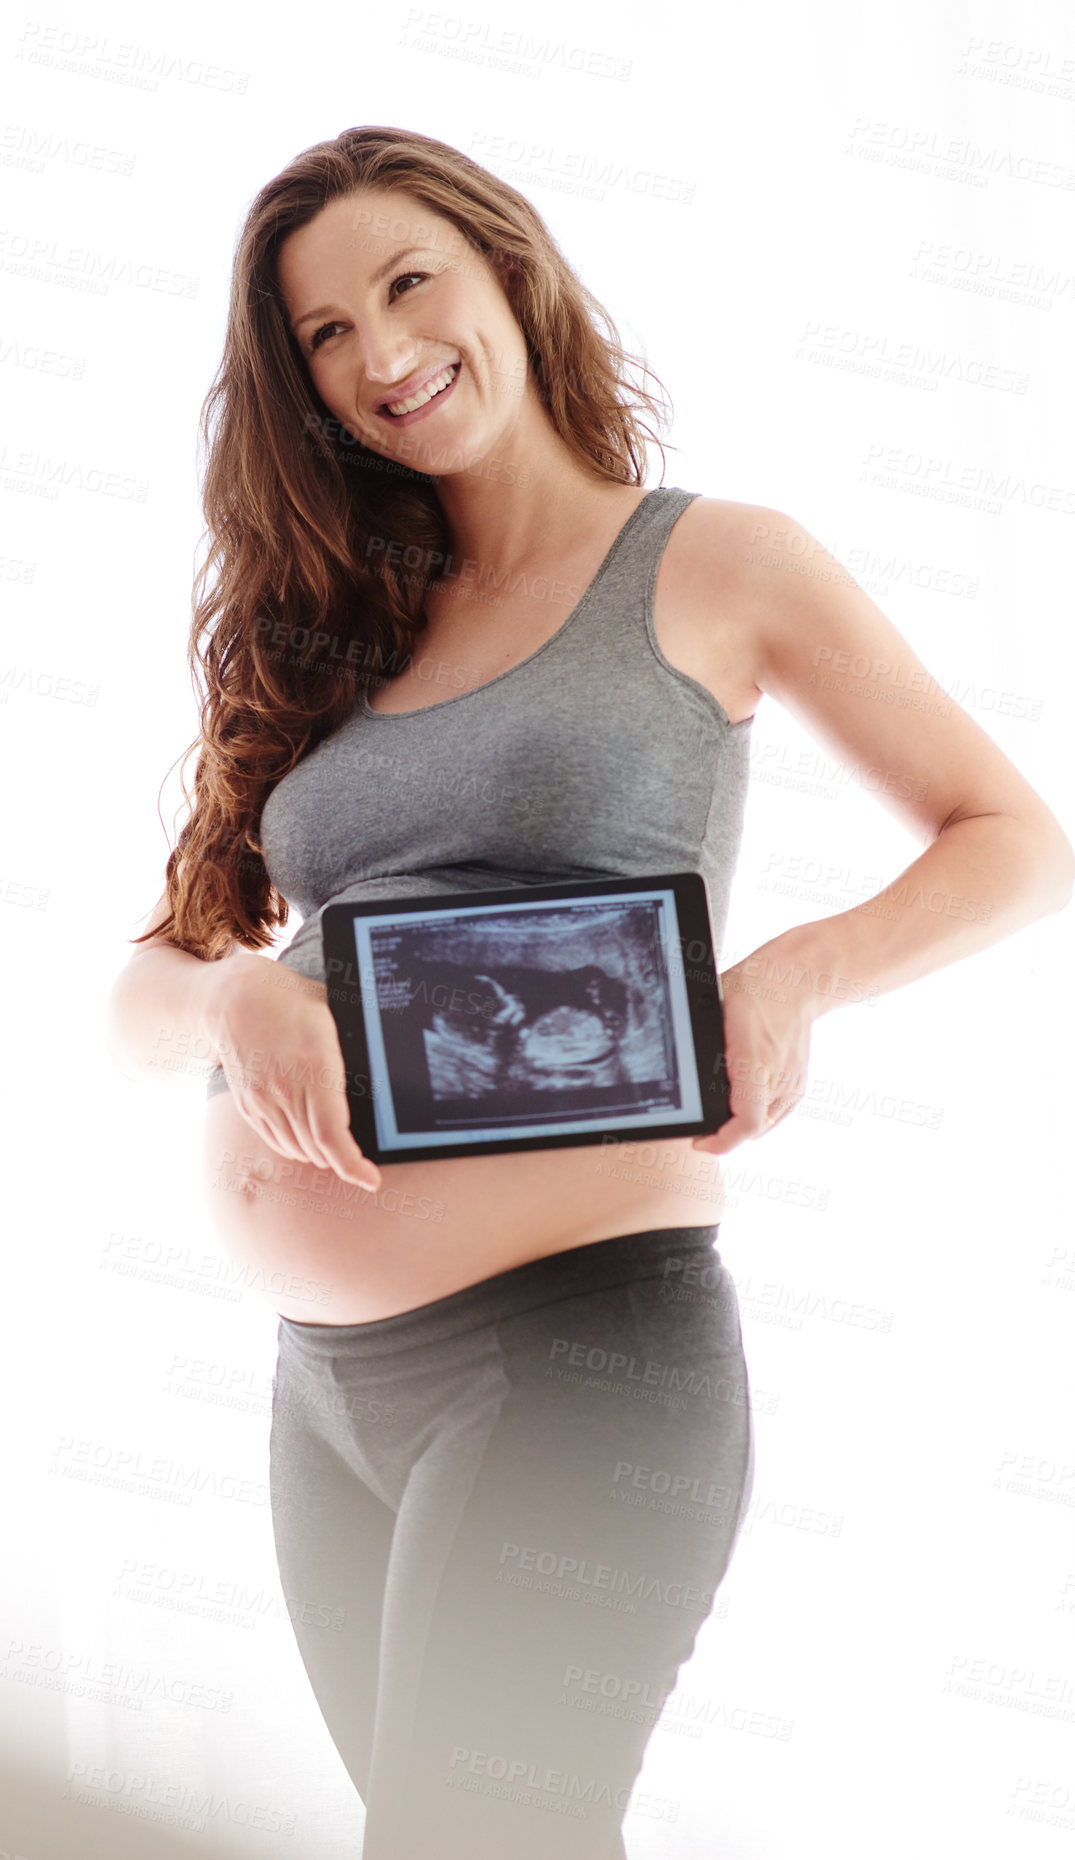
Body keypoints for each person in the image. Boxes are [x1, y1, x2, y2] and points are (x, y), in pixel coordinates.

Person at [106, 126, 1074, 1856]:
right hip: (323, 1392)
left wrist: (794, 978)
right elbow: (141, 988)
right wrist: (238, 1004)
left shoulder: (717, 565)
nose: (382, 352)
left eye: (409, 284)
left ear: (510, 272)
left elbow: (1015, 836)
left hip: (574, 1354)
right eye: (324, 335)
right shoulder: (335, 619)